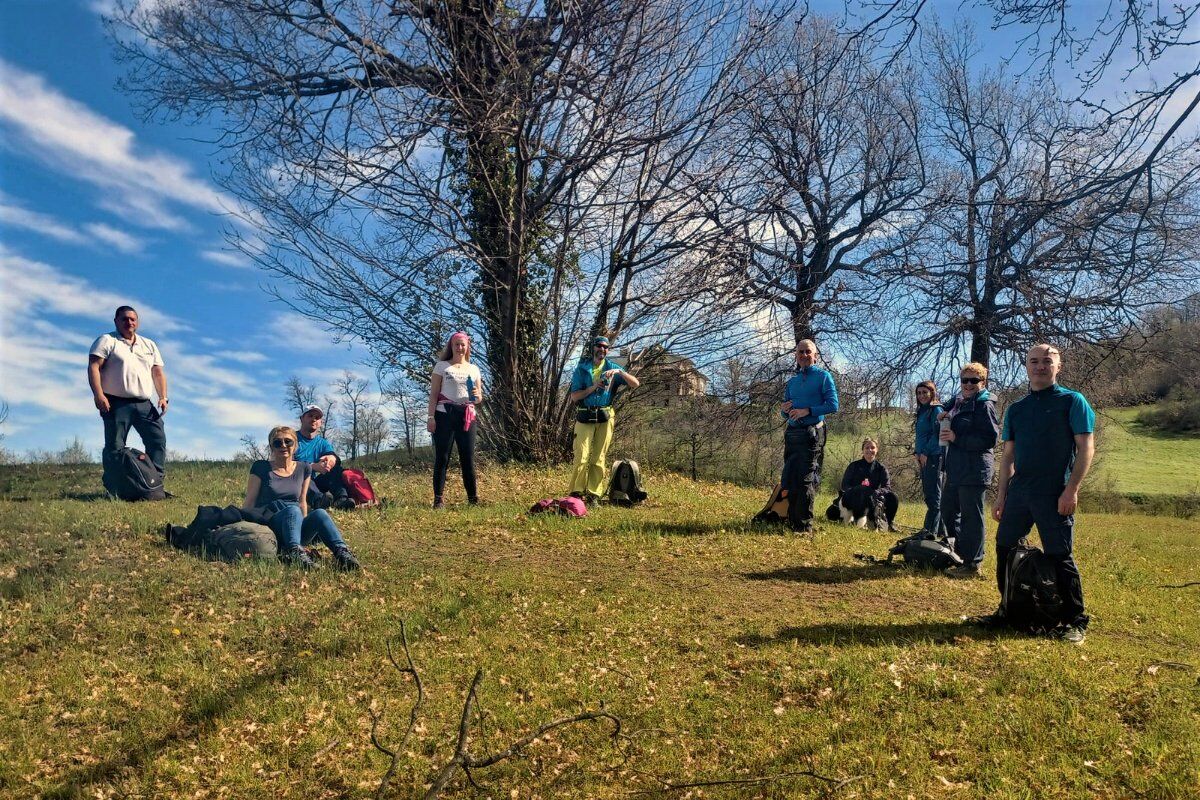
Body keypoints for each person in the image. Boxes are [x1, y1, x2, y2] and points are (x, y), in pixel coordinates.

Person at [988, 344, 1095, 643]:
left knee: (1060, 555)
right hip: (1020, 491)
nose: (1040, 367)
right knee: (1004, 548)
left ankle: (1076, 620)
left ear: (1058, 366)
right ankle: (1007, 609)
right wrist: (1001, 496)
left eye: (1047, 361)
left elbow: (1086, 448)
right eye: (1034, 361)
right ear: (1026, 366)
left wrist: (1071, 490)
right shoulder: (1017, 409)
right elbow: (1008, 456)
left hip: (1054, 492)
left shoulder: (1073, 401)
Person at [242, 425, 362, 570]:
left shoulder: (303, 468)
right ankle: (294, 553)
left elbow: (302, 502)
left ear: (296, 445)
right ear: (271, 447)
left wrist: (302, 524)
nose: (283, 445)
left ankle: (342, 553)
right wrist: (246, 529)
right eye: (277, 442)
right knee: (292, 510)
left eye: (288, 441)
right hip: (271, 526)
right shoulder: (261, 467)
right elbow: (250, 501)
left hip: (295, 524)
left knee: (320, 513)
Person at [87, 305, 169, 495]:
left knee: (157, 440)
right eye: (124, 319)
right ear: (116, 321)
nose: (129, 322)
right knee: (115, 447)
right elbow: (93, 367)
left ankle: (154, 485)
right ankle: (114, 489)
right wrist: (98, 395)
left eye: (132, 319)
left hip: (144, 403)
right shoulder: (107, 341)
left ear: (137, 322)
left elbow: (157, 373)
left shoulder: (148, 344)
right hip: (116, 402)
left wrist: (163, 396)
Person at [938, 362, 1000, 577]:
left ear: (982, 382)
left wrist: (957, 438)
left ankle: (973, 564)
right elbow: (943, 406)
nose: (968, 384)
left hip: (975, 470)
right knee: (947, 509)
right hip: (956, 468)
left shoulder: (984, 404)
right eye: (965, 380)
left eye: (974, 380)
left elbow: (990, 439)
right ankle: (961, 554)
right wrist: (943, 414)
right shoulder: (959, 401)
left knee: (971, 516)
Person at [567, 336, 640, 502]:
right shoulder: (582, 369)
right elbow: (574, 396)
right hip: (585, 415)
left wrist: (620, 372)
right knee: (581, 455)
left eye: (606, 347)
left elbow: (635, 383)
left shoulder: (612, 368)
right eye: (599, 346)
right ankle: (576, 492)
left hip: (605, 417)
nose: (602, 349)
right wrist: (594, 387)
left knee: (599, 457)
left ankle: (594, 494)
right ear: (593, 348)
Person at [780, 339, 839, 532]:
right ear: (796, 356)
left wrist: (808, 411)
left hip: (813, 433)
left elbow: (833, 405)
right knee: (791, 478)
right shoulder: (792, 382)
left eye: (808, 352)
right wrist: (784, 410)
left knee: (806, 478)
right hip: (792, 434)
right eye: (800, 352)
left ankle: (804, 526)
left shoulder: (823, 377)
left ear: (815, 356)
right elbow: (785, 410)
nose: (804, 355)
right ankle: (792, 520)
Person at [428, 332, 484, 508]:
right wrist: (431, 418)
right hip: (444, 414)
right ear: (451, 347)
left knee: (467, 458)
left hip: (467, 415)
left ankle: (473, 498)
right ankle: (438, 499)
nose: (459, 348)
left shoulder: (474, 369)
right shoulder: (442, 366)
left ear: (467, 347)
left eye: (462, 345)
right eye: (456, 345)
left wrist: (477, 396)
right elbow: (434, 394)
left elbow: (479, 397)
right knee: (442, 457)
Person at [294, 404, 354, 511]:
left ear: (320, 423)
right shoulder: (291, 439)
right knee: (303, 475)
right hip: (296, 483)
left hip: (315, 483)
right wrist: (312, 466)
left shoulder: (322, 443)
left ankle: (341, 499)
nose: (313, 419)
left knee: (335, 468)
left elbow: (332, 455)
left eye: (317, 418)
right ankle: (319, 501)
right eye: (310, 416)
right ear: (302, 419)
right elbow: (285, 465)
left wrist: (331, 459)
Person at [840, 438, 899, 530]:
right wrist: (858, 490)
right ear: (863, 450)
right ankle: (857, 520)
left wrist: (876, 492)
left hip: (873, 497)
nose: (869, 450)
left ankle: (890, 523)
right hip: (854, 498)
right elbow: (845, 485)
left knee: (893, 497)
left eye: (872, 448)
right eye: (867, 448)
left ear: (877, 450)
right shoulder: (854, 466)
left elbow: (887, 487)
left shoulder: (881, 468)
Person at [913, 380, 945, 534]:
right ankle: (941, 531)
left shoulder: (936, 409)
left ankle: (929, 530)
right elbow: (920, 435)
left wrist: (925, 452)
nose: (922, 396)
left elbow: (938, 434)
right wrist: (917, 453)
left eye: (925, 392)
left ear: (932, 392)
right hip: (923, 457)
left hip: (933, 456)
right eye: (919, 393)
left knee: (933, 495)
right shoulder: (922, 411)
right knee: (929, 494)